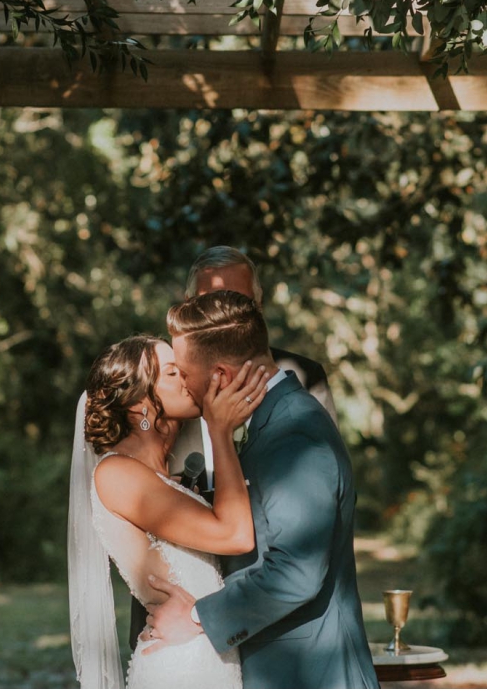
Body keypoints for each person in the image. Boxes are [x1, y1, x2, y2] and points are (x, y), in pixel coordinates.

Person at [144, 291, 378, 689]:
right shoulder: (270, 426)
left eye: (184, 373)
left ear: (220, 376)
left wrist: (198, 617)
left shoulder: (296, 436)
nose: (183, 385)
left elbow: (297, 572)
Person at [68, 334, 272, 688]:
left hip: (208, 650)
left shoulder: (161, 478)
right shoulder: (117, 473)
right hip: (182, 664)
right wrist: (220, 431)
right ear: (137, 405)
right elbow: (234, 535)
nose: (187, 379)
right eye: (172, 373)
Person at [185, 246, 338, 423]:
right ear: (187, 307)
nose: (226, 314)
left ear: (259, 305)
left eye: (241, 303)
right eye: (211, 304)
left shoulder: (306, 378)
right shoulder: (169, 387)